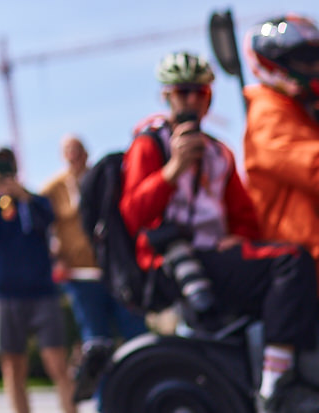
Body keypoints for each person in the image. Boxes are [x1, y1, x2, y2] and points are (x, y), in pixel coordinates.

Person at [121, 50, 319, 410]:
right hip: (172, 260)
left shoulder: (219, 152)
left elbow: (242, 213)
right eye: (184, 92)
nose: (193, 100)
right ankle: (275, 382)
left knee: (291, 270)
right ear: (167, 96)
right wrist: (174, 169)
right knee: (291, 261)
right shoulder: (150, 144)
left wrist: (239, 237)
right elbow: (133, 213)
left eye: (201, 92)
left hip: (218, 253)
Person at [0, 147, 73, 413]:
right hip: (3, 294)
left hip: (41, 291)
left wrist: (23, 196)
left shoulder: (35, 201)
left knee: (57, 363)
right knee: (13, 366)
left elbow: (48, 219)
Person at [41, 135, 145, 343]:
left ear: (86, 153)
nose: (74, 155)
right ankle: (103, 376)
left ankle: (148, 373)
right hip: (80, 273)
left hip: (114, 267)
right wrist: (56, 258)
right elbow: (42, 224)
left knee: (134, 328)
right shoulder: (54, 188)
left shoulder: (103, 178)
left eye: (77, 149)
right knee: (95, 335)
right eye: (69, 150)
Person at [246, 16, 319, 257]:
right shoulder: (268, 113)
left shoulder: (302, 111)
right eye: (306, 60)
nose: (315, 67)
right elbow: (312, 166)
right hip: (303, 256)